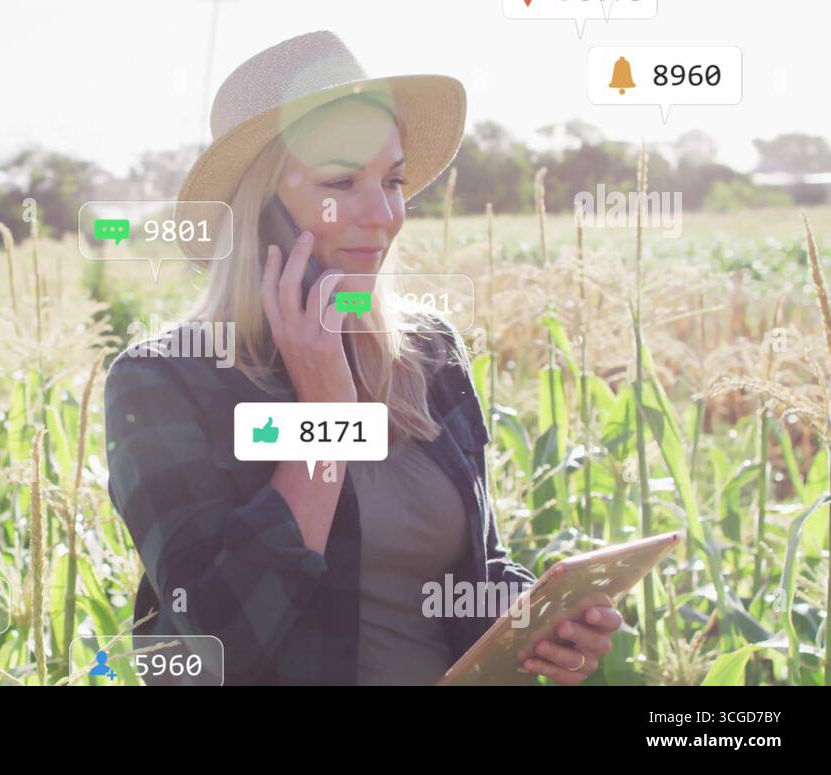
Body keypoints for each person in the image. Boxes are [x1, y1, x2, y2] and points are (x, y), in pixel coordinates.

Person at [104, 30, 621, 685]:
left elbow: (474, 572)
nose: (383, 214)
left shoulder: (427, 352)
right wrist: (326, 414)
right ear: (260, 211)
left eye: (393, 180)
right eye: (342, 181)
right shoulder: (164, 382)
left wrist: (538, 622)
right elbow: (212, 651)